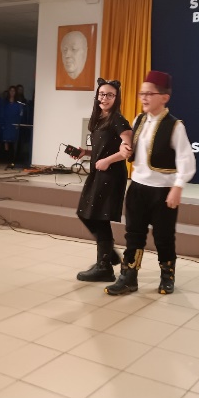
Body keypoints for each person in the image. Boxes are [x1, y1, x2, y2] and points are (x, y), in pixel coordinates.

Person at [105, 71, 196, 296]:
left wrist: (177, 187)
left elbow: (187, 160)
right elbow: (131, 147)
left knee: (164, 236)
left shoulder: (175, 126)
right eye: (141, 93)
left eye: (149, 94)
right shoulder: (139, 120)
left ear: (164, 97)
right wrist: (124, 148)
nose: (144, 98)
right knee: (133, 234)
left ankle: (167, 276)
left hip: (162, 191)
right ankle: (129, 277)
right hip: (137, 188)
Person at [69, 78, 132, 282]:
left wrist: (107, 160)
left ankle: (105, 266)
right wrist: (85, 153)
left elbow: (129, 148)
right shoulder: (99, 118)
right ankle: (108, 255)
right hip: (99, 171)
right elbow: (103, 148)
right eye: (102, 94)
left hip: (111, 174)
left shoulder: (118, 120)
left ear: (116, 98)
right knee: (87, 213)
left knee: (96, 215)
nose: (105, 98)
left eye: (110, 95)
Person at [1, 86, 21, 154]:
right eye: (11, 91)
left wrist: (17, 123)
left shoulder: (18, 104)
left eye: (13, 91)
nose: (12, 92)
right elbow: (2, 113)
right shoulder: (5, 103)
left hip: (14, 123)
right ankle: (6, 155)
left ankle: (14, 155)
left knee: (14, 140)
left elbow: (19, 114)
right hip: (6, 123)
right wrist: (2, 123)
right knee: (6, 140)